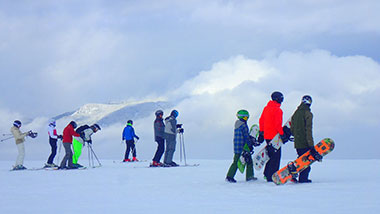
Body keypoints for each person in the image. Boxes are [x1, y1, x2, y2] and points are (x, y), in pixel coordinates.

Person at [258, 91, 290, 182]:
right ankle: (271, 176)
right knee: (276, 157)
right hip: (275, 137)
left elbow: (261, 121)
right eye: (281, 98)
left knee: (270, 155)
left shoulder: (266, 108)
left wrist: (261, 132)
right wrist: (282, 134)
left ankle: (266, 173)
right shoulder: (278, 110)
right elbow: (277, 124)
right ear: (278, 99)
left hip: (267, 136)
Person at [291, 95, 322, 183]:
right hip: (305, 142)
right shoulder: (308, 114)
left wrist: (296, 136)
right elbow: (308, 130)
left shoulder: (296, 113)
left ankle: (294, 173)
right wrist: (311, 145)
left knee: (301, 158)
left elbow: (292, 127)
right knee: (306, 162)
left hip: (297, 142)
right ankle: (303, 179)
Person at [226, 110, 258, 183]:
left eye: (247, 118)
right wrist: (250, 145)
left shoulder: (237, 125)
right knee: (248, 161)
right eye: (245, 118)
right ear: (241, 117)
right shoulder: (243, 125)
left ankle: (229, 176)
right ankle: (249, 176)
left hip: (237, 147)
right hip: (243, 147)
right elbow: (246, 137)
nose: (246, 119)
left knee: (236, 161)